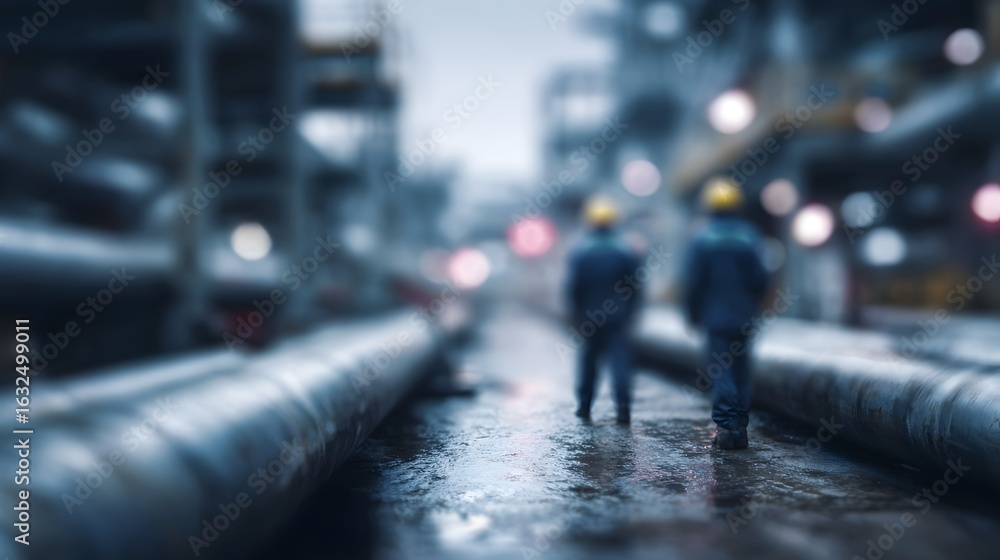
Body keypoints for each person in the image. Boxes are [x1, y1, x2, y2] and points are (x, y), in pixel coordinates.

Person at [683, 178, 769, 449]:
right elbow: (761, 278)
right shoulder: (750, 236)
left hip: (715, 317)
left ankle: (726, 428)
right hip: (744, 316)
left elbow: (693, 282)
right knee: (742, 371)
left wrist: (693, 313)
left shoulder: (702, 239)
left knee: (722, 371)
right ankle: (740, 428)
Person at [566, 197, 641, 424]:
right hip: (617, 317)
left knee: (589, 363)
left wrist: (576, 313)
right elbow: (634, 286)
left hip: (590, 318)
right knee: (620, 363)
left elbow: (575, 288)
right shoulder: (624, 251)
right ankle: (623, 409)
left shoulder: (582, 252)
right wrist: (631, 311)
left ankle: (585, 406)